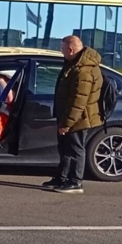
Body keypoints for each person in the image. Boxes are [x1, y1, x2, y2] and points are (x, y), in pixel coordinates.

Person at [44, 36, 103, 194]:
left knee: (76, 149)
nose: (61, 51)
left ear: (70, 50)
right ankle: (61, 178)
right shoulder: (74, 64)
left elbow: (79, 101)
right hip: (69, 115)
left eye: (62, 49)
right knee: (65, 148)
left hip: (79, 118)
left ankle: (75, 182)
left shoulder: (83, 70)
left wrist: (67, 123)